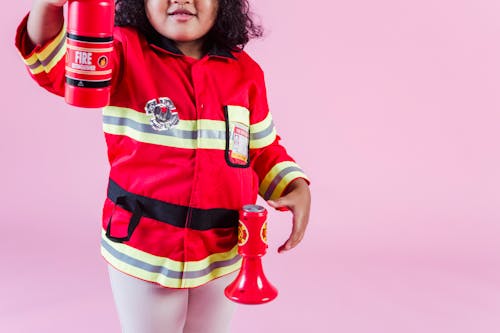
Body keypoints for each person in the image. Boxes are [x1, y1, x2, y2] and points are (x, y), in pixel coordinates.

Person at [15, 0, 311, 332]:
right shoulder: (119, 50)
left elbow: (261, 148)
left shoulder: (246, 72)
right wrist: (50, 7)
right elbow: (59, 68)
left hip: (222, 248)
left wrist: (293, 186)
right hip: (144, 246)